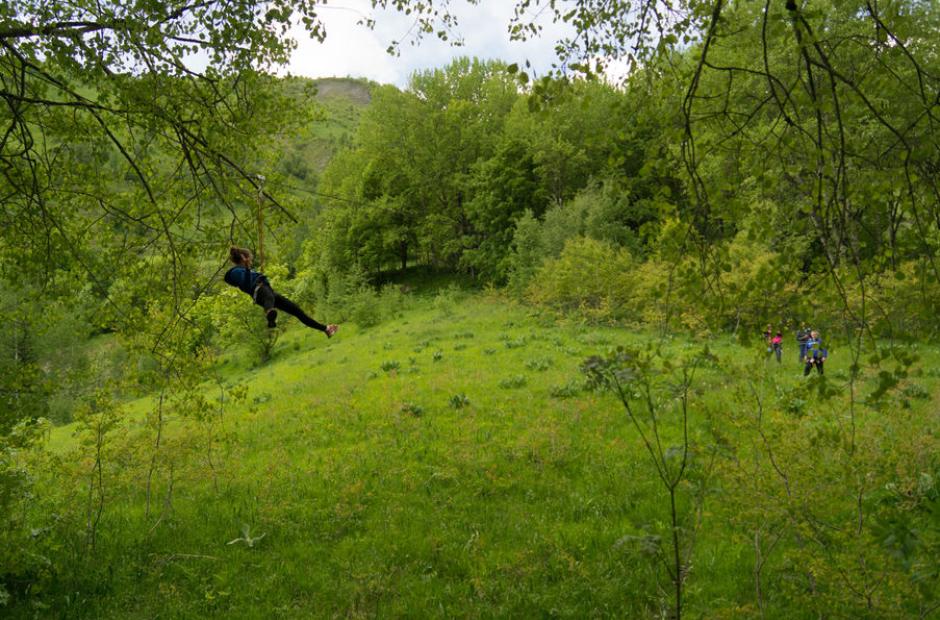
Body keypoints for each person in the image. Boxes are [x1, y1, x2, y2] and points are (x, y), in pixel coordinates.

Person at [224, 247, 338, 337]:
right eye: (250, 259)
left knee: (296, 310)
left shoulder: (245, 270)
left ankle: (325, 329)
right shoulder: (235, 272)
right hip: (259, 291)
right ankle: (269, 313)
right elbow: (246, 283)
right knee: (269, 297)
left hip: (267, 292)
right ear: (245, 258)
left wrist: (250, 270)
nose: (251, 261)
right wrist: (248, 268)